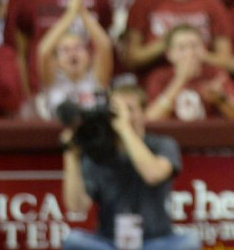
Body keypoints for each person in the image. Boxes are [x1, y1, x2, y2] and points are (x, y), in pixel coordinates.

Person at [61, 83, 200, 250]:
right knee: (74, 240)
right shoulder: (98, 151)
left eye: (130, 109)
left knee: (190, 241)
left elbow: (153, 174)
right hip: (109, 242)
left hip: (156, 241)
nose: (123, 115)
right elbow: (76, 206)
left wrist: (125, 129)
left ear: (143, 112)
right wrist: (71, 157)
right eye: (117, 110)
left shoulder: (162, 144)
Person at [34, 0, 114, 120]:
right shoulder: (52, 81)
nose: (72, 53)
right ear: (57, 61)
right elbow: (43, 50)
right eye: (65, 50)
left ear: (89, 56)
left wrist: (82, 12)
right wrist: (70, 14)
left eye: (78, 48)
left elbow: (105, 46)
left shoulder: (97, 79)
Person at [144, 25, 234, 121]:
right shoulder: (159, 77)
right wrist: (180, 81)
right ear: (169, 54)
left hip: (210, 138)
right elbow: (150, 119)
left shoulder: (215, 74)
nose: (190, 53)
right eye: (182, 48)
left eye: (195, 46)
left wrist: (221, 99)